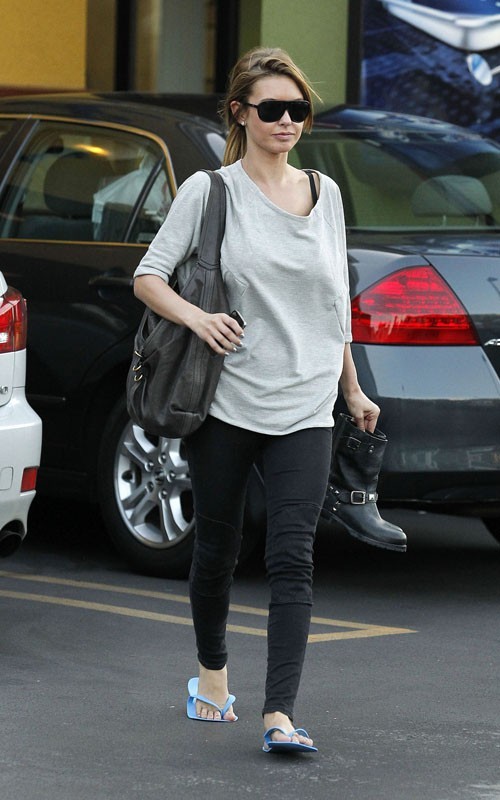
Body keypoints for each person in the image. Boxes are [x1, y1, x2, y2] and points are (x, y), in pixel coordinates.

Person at [133, 46, 380, 754]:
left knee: (293, 556)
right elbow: (149, 276)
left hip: (307, 404)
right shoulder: (211, 191)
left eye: (298, 109)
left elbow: (335, 305)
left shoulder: (326, 194)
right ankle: (212, 677)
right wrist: (197, 317)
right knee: (217, 549)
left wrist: (352, 388)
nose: (286, 121)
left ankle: (279, 715)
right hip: (227, 401)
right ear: (240, 114)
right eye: (272, 109)